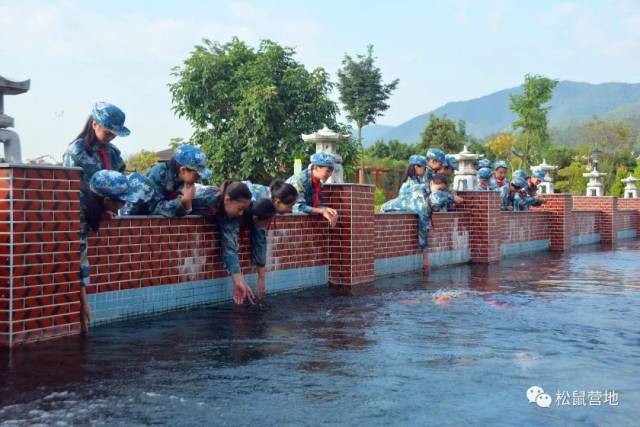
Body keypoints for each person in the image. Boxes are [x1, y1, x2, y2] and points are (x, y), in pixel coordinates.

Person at [79, 170, 148, 332]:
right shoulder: (79, 212)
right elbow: (78, 261)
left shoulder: (88, 201)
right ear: (107, 200)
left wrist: (102, 213)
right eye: (122, 201)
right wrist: (83, 304)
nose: (124, 205)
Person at [191, 182, 255, 305]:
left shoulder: (231, 216)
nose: (241, 213)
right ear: (227, 200)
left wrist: (239, 282)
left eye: (244, 210)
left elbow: (230, 248)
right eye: (240, 209)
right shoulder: (205, 198)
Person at [63, 101, 129, 195]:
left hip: (108, 207)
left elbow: (121, 180)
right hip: (82, 207)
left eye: (114, 134)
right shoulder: (76, 151)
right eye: (108, 133)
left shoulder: (113, 153)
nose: (111, 137)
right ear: (94, 125)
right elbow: (69, 184)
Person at [382, 155, 431, 268]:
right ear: (416, 167)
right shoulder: (415, 187)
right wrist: (425, 252)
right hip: (400, 211)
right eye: (424, 167)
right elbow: (422, 213)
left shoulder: (413, 183)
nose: (425, 170)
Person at [142, 145, 212, 217]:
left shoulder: (183, 181)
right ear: (183, 170)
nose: (199, 178)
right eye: (197, 175)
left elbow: (183, 211)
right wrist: (182, 201)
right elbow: (154, 210)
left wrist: (187, 203)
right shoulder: (158, 174)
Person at [286, 152, 338, 227]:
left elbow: (316, 206)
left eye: (331, 171)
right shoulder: (300, 180)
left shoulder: (318, 183)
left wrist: (326, 210)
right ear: (316, 167)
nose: (330, 175)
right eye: (328, 171)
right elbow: (298, 207)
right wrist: (321, 211)